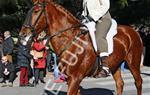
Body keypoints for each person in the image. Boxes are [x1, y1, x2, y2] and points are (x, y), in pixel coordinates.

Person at [81, 0, 112, 77]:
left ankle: (105, 66)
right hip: (89, 20)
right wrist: (82, 15)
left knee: (99, 37)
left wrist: (92, 16)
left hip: (103, 18)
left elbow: (105, 6)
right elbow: (86, 10)